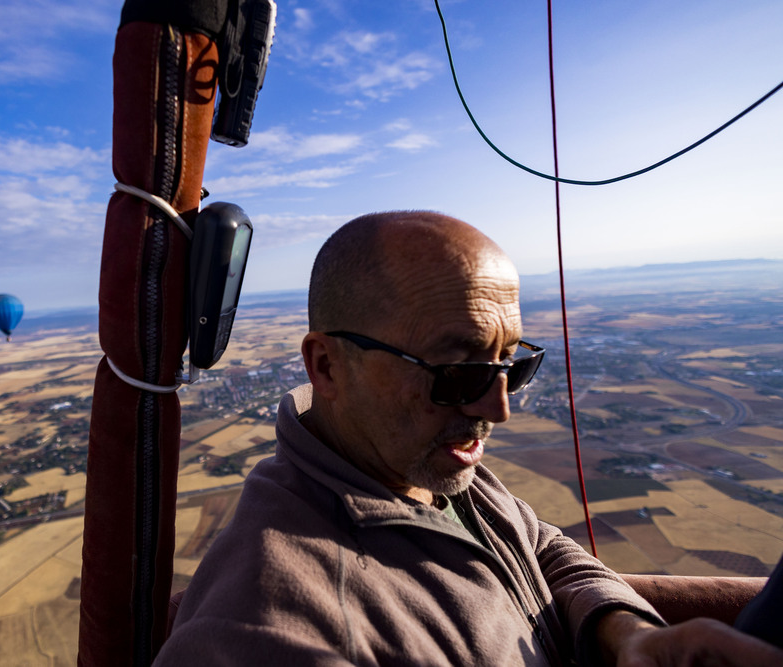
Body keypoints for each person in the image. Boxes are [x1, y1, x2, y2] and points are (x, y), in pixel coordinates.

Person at [154, 211, 783, 665]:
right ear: (327, 368)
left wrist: (624, 633)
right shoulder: (274, 625)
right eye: (458, 373)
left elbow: (537, 549)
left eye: (513, 365)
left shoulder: (416, 462)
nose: (499, 407)